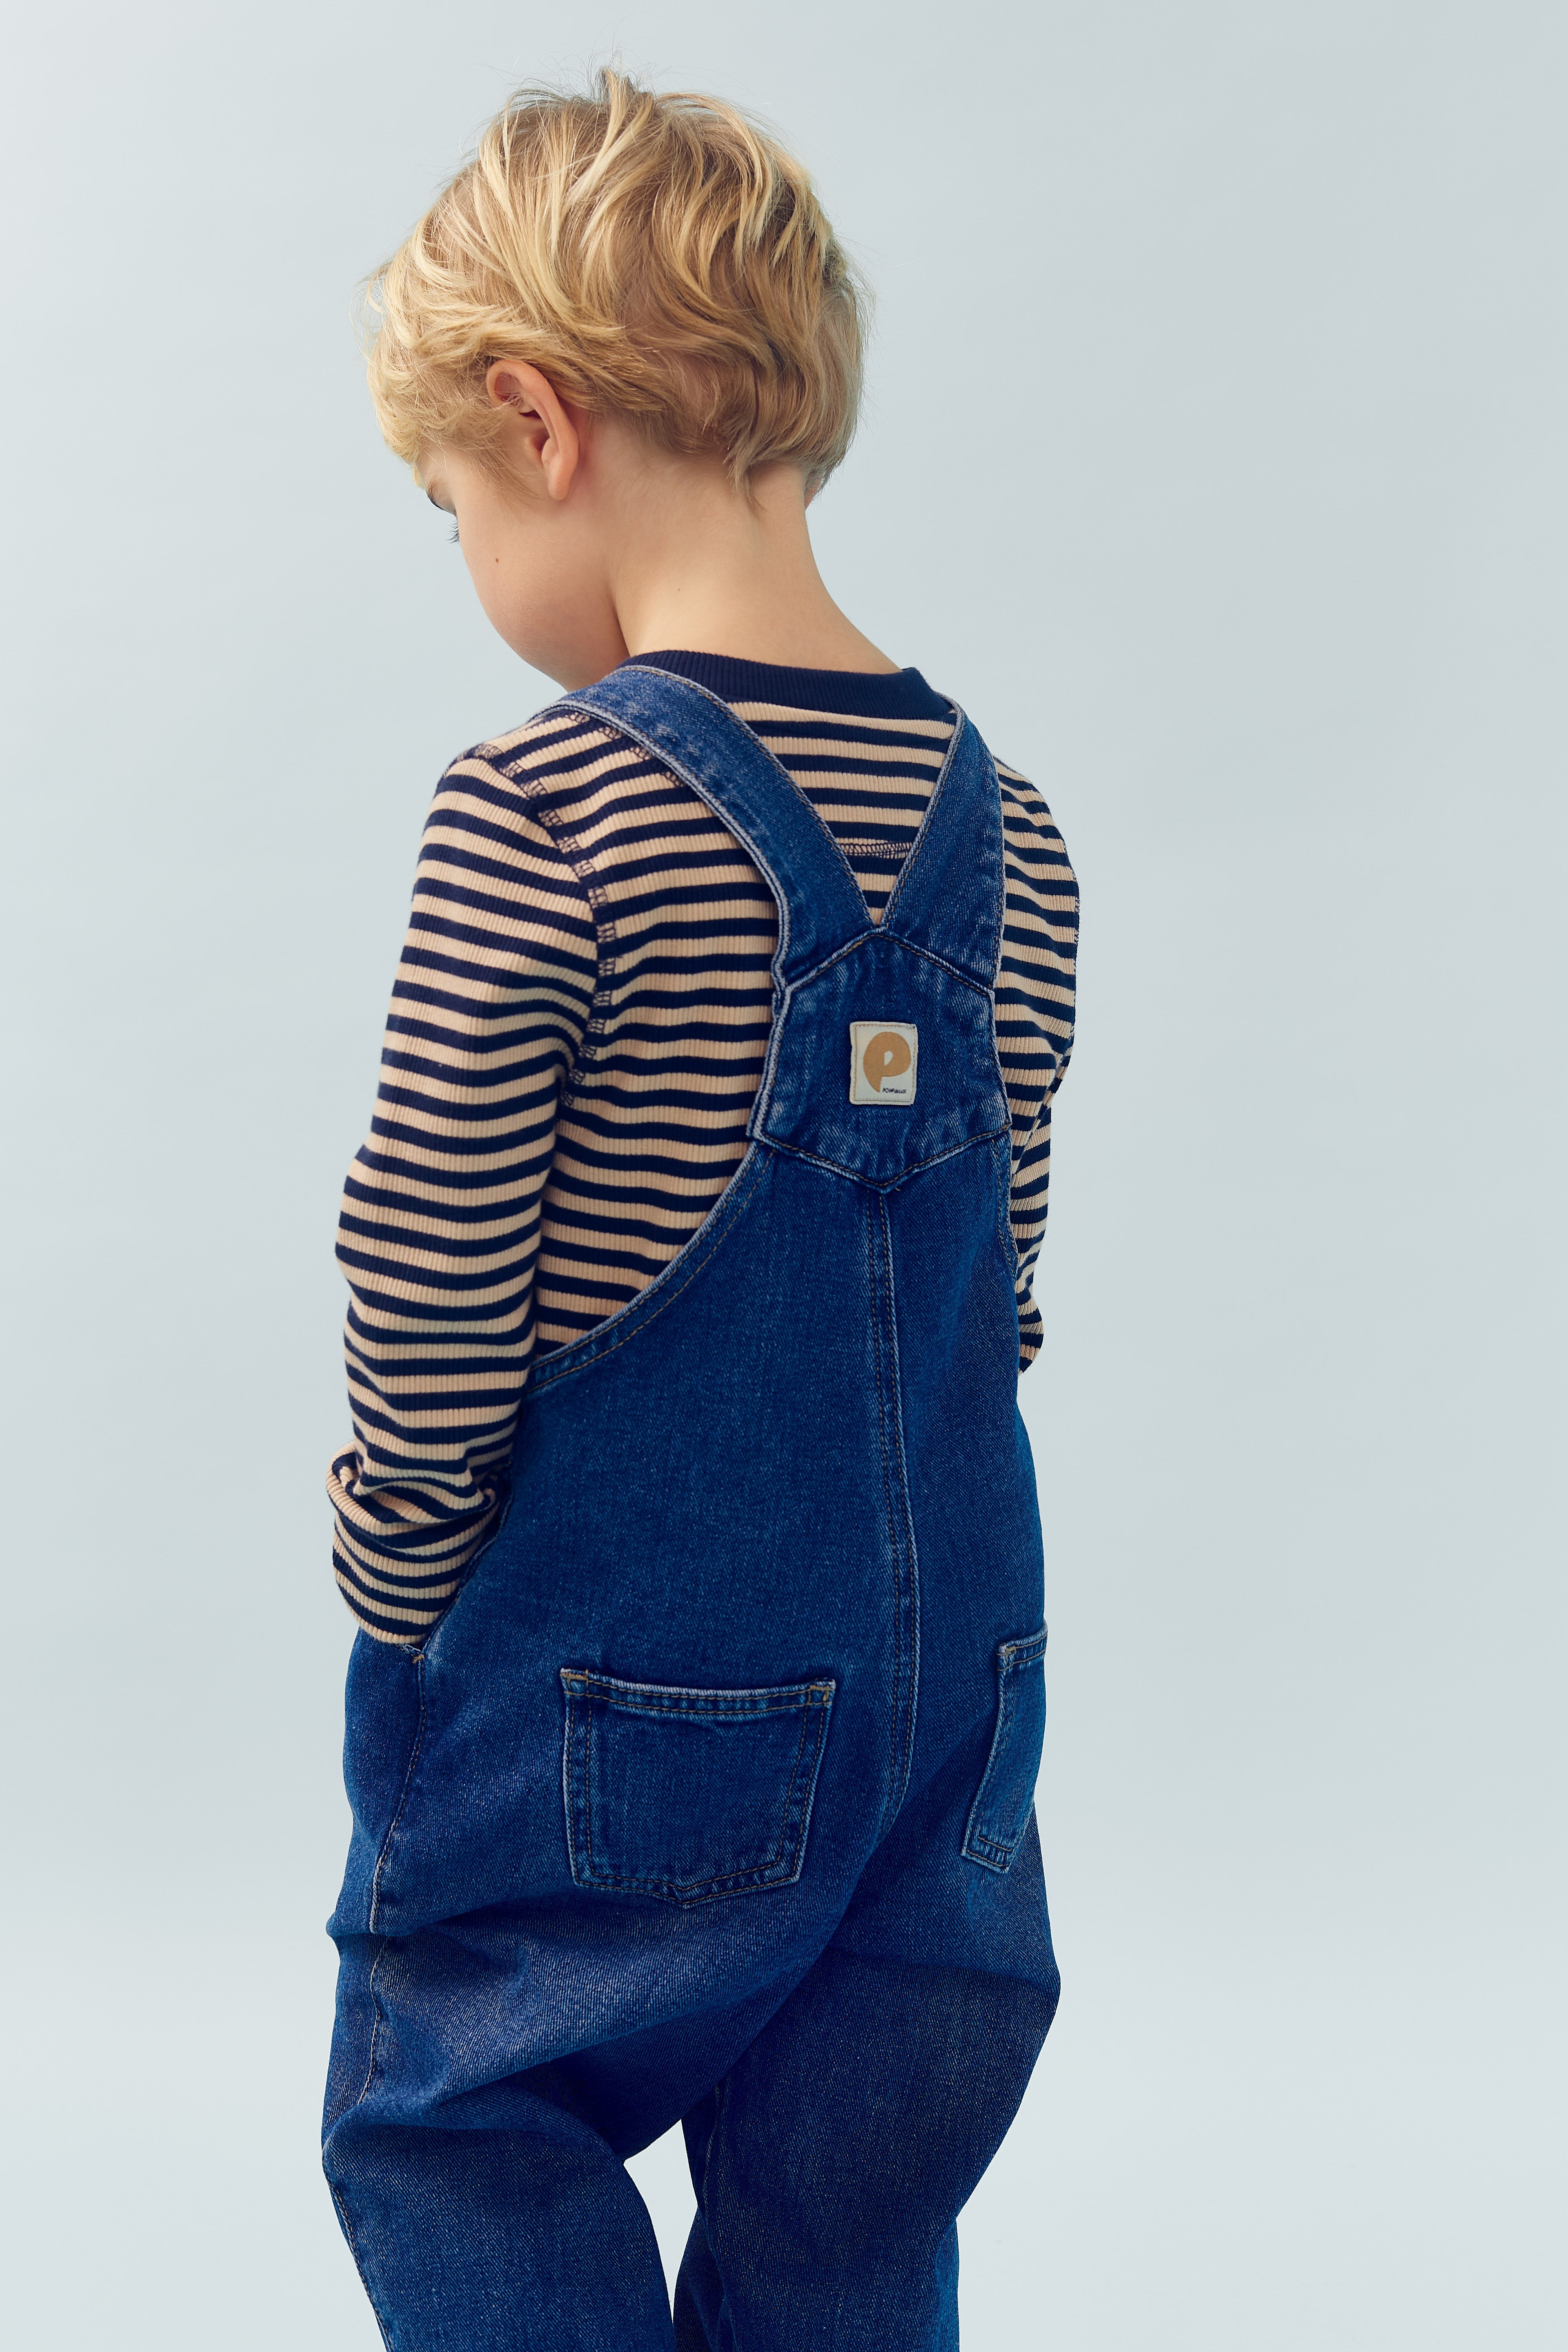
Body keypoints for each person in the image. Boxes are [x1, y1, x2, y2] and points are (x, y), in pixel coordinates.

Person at [322, 69, 1079, 2351]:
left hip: (613, 1710)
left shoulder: (543, 814)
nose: (471, 562)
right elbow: (996, 1296)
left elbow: (431, 1263)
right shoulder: (1014, 835)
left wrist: (397, 1548)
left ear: (538, 424)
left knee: (466, 2125)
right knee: (851, 2223)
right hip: (952, 1722)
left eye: (448, 504)